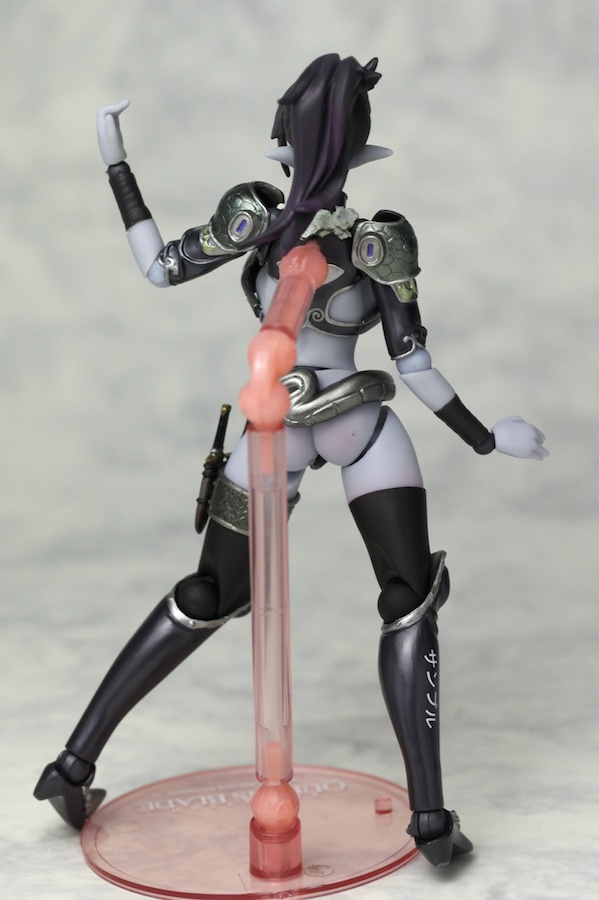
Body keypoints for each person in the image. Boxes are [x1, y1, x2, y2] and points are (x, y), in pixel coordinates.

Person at [35, 54, 547, 867]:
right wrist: (483, 436)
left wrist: (116, 164)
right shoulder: (371, 239)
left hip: (285, 426)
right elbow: (413, 364)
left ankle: (71, 766)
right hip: (351, 424)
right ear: (357, 150)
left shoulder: (263, 223)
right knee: (401, 598)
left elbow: (157, 267)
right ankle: (429, 820)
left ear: (283, 142)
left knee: (224, 594)